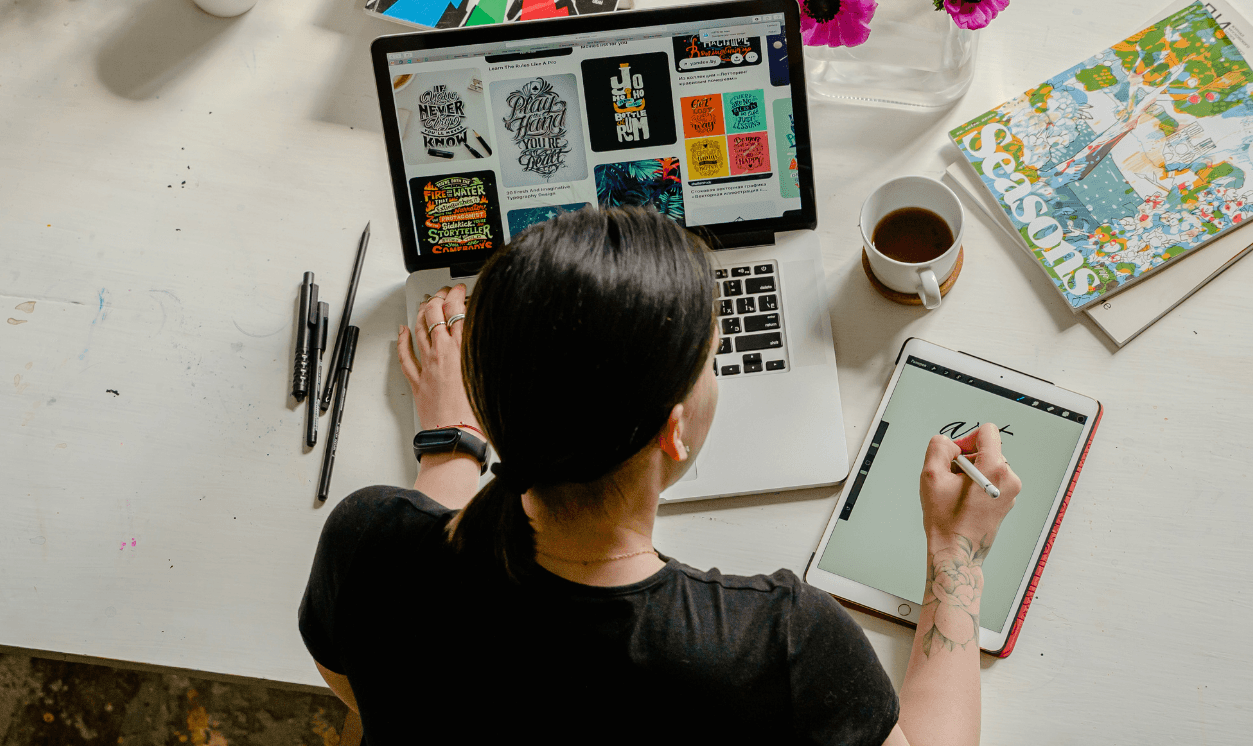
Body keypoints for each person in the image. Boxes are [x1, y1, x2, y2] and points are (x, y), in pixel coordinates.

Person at [299, 207, 1022, 746]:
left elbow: (361, 688)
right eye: (711, 359)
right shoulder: (778, 645)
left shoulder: (368, 544)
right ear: (675, 430)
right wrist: (957, 557)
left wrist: (449, 446)